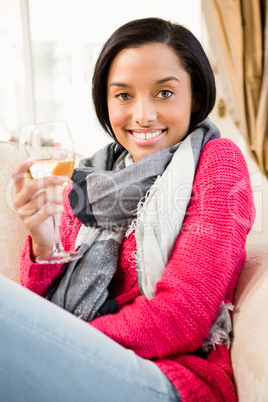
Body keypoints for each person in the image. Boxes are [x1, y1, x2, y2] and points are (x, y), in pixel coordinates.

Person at [0, 17, 255, 402]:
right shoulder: (91, 178)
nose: (143, 115)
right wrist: (42, 239)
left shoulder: (216, 161)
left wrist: (64, 338)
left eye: (164, 93)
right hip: (78, 364)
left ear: (196, 98)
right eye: (123, 96)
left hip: (168, 378)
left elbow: (181, 318)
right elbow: (41, 304)